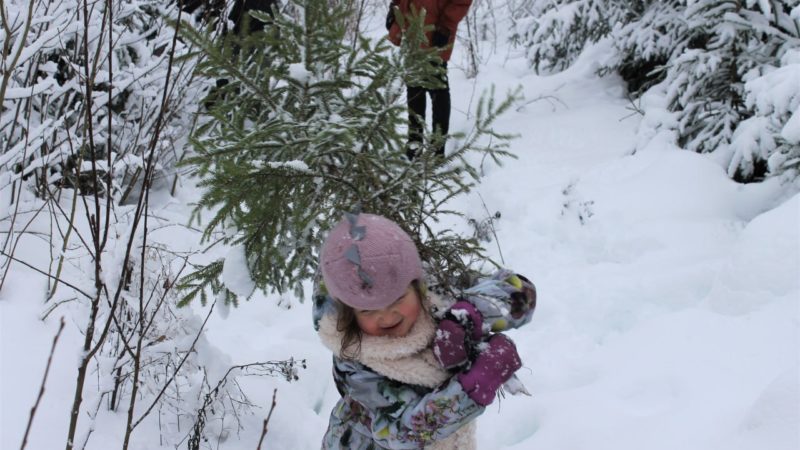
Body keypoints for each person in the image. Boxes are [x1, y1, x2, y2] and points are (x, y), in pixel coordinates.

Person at [313, 213, 536, 449]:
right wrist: (472, 387)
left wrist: (474, 313)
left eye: (398, 299)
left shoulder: (437, 296)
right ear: (350, 314)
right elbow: (402, 432)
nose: (387, 316)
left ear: (417, 285)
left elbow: (523, 294)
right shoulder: (354, 364)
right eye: (367, 311)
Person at [386, 0, 473, 160]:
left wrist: (446, 24)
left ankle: (437, 151)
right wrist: (395, 10)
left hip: (436, 32)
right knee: (414, 89)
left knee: (438, 90)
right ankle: (414, 147)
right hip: (412, 30)